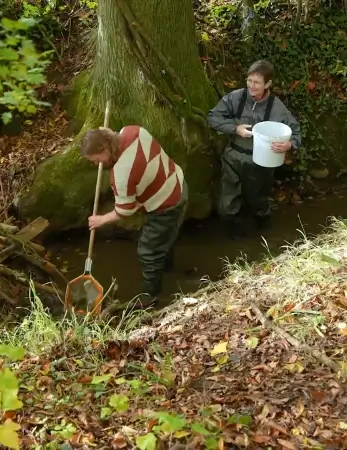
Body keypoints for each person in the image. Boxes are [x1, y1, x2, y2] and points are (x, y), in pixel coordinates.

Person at [80, 125, 188, 306]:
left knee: (148, 252)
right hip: (178, 183)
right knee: (164, 239)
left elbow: (125, 211)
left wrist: (101, 220)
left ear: (103, 148)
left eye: (96, 159)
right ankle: (167, 270)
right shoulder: (133, 131)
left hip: (166, 204)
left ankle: (149, 298)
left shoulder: (121, 175)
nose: (96, 164)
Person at [207, 59, 302, 239]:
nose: (251, 85)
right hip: (233, 156)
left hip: (261, 162)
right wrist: (236, 129)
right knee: (227, 206)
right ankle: (236, 241)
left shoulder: (276, 107)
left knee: (258, 202)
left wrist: (290, 144)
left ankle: (265, 234)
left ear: (268, 84)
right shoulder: (237, 97)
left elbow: (295, 131)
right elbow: (213, 117)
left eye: (257, 82)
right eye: (249, 81)